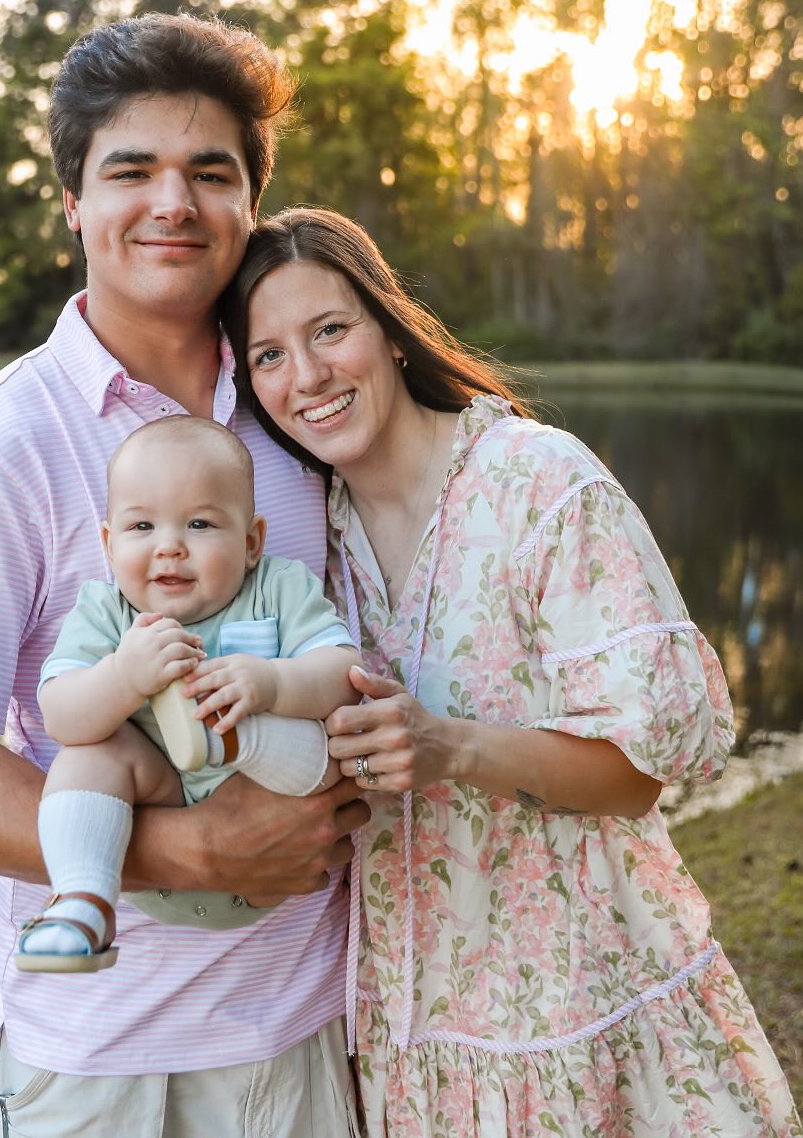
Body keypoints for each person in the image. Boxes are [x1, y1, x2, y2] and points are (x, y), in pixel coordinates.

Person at [0, 18, 367, 1138]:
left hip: (309, 1031)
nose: (172, 203)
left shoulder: (298, 414)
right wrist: (188, 851)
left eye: (210, 173)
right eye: (131, 170)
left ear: (250, 205)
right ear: (75, 205)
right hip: (97, 1066)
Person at [225, 206, 801, 1137]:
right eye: (270, 355)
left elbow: (637, 775)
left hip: (585, 1020)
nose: (309, 376)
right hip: (408, 1044)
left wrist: (448, 746)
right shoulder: (302, 543)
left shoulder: (537, 483)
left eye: (330, 329)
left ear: (389, 328)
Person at [16, 414, 359, 972]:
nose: (170, 548)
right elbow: (61, 714)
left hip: (279, 814)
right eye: (141, 528)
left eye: (199, 525)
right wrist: (124, 678)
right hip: (161, 809)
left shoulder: (277, 587)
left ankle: (234, 739)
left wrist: (273, 683)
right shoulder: (107, 613)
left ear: (251, 542)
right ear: (108, 543)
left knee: (325, 737)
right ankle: (82, 901)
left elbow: (344, 673)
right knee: (93, 751)